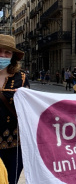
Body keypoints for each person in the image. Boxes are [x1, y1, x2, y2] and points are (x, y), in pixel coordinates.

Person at [0, 34, 30, 184]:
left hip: (14, 145)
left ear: (12, 56)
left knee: (10, 180)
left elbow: (31, 109)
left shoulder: (21, 78)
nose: (3, 55)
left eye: (7, 52)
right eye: (0, 51)